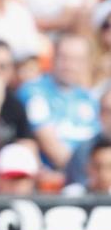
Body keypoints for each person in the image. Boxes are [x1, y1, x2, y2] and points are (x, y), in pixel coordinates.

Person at [17, 33, 99, 171]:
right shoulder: (34, 91)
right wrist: (88, 174)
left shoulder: (88, 98)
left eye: (77, 60)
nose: (70, 65)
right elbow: (51, 146)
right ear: (53, 58)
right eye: (64, 58)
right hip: (56, 181)